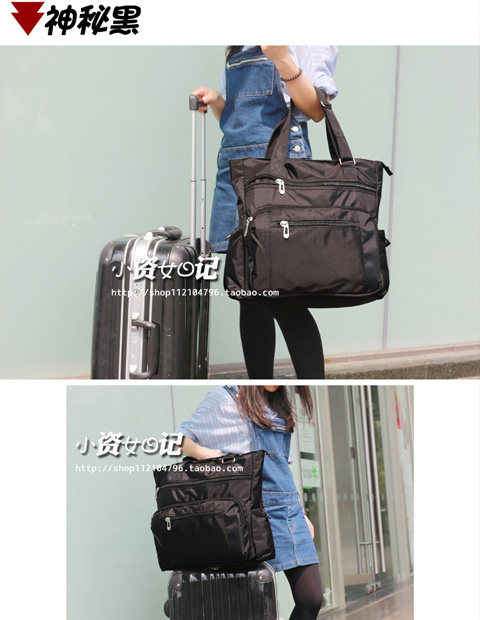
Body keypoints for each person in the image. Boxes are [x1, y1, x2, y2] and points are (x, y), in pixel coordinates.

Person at [191, 46, 339, 380]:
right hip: (236, 174)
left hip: (277, 175)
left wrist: (282, 58)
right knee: (249, 294)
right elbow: (238, 123)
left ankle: (313, 385)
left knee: (282, 296)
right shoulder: (239, 45)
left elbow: (316, 109)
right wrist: (218, 100)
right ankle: (260, 388)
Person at [177, 385, 324, 620]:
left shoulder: (279, 403)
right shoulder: (224, 398)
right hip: (248, 512)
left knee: (311, 598)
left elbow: (282, 467)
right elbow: (179, 439)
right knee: (252, 606)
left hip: (288, 510)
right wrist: (209, 455)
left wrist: (301, 512)